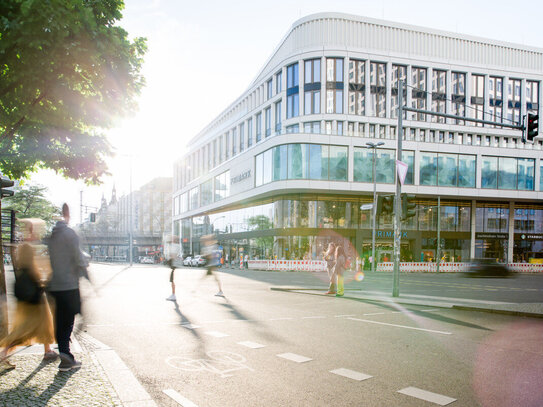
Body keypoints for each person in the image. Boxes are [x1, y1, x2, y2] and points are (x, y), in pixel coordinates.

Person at [0, 219, 56, 370]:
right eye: (36, 229)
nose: (38, 232)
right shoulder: (27, 247)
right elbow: (32, 269)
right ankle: (4, 353)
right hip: (33, 295)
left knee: (45, 323)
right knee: (26, 329)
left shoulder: (27, 246)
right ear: (31, 230)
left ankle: (48, 350)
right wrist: (42, 279)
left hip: (33, 293)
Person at [47, 203, 87, 371]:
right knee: (69, 320)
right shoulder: (70, 234)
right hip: (69, 284)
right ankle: (65, 354)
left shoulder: (52, 236)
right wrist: (85, 269)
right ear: (67, 215)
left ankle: (64, 352)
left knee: (59, 319)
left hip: (54, 285)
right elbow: (78, 257)